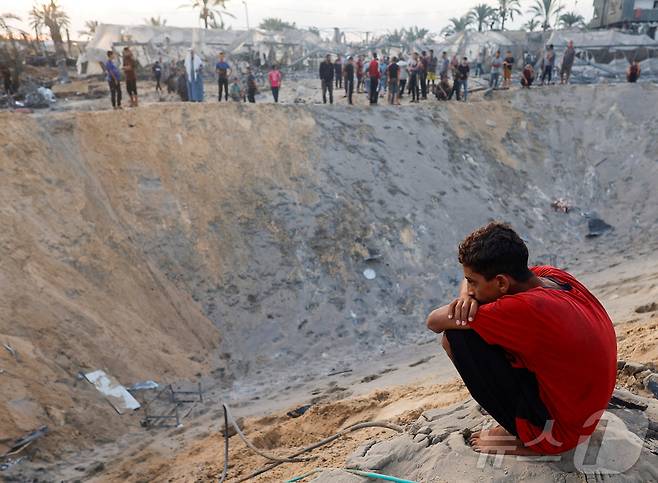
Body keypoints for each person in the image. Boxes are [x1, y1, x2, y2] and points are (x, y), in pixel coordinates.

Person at [426, 222, 616, 456]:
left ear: (502, 283)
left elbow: (434, 322)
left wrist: (466, 303)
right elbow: (469, 283)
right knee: (473, 326)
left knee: (456, 336)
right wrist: (468, 294)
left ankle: (529, 439)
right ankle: (529, 423)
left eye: (474, 282)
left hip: (559, 434)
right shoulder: (551, 276)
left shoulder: (523, 308)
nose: (470, 288)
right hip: (585, 411)